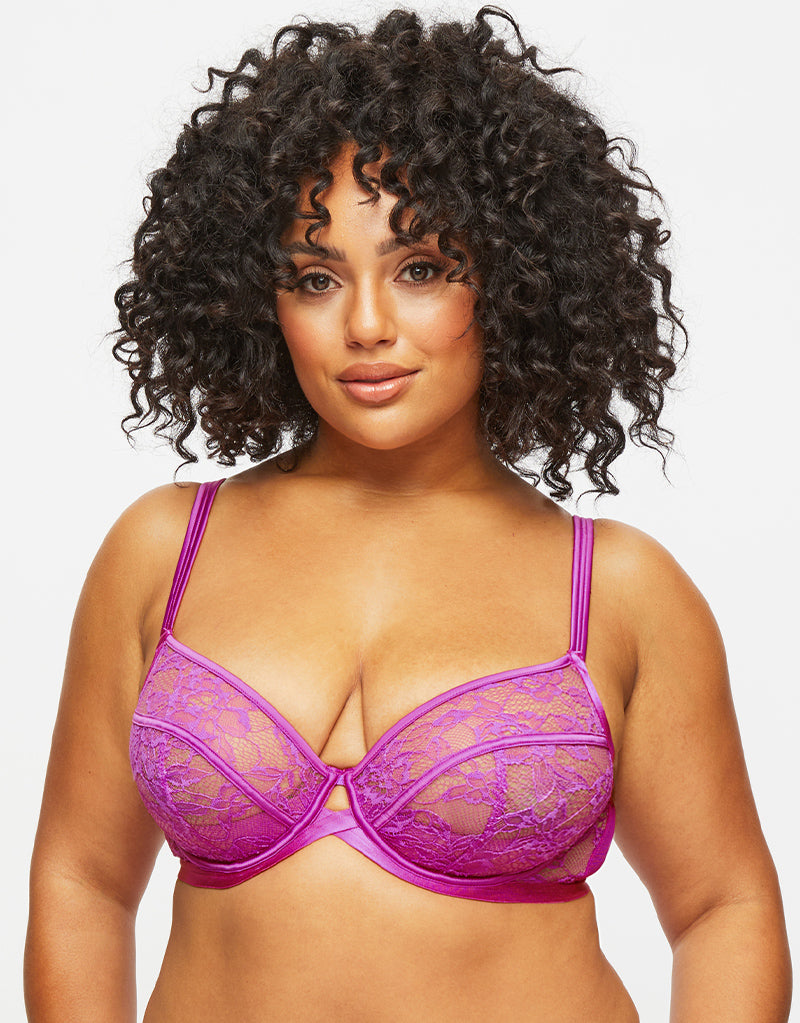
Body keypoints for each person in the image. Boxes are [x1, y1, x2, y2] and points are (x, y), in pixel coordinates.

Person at [24, 7, 791, 1021]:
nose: (367, 325)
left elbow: (721, 906)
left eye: (420, 268)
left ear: (513, 279)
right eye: (315, 278)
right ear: (256, 300)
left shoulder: (617, 588)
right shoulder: (163, 550)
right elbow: (80, 880)